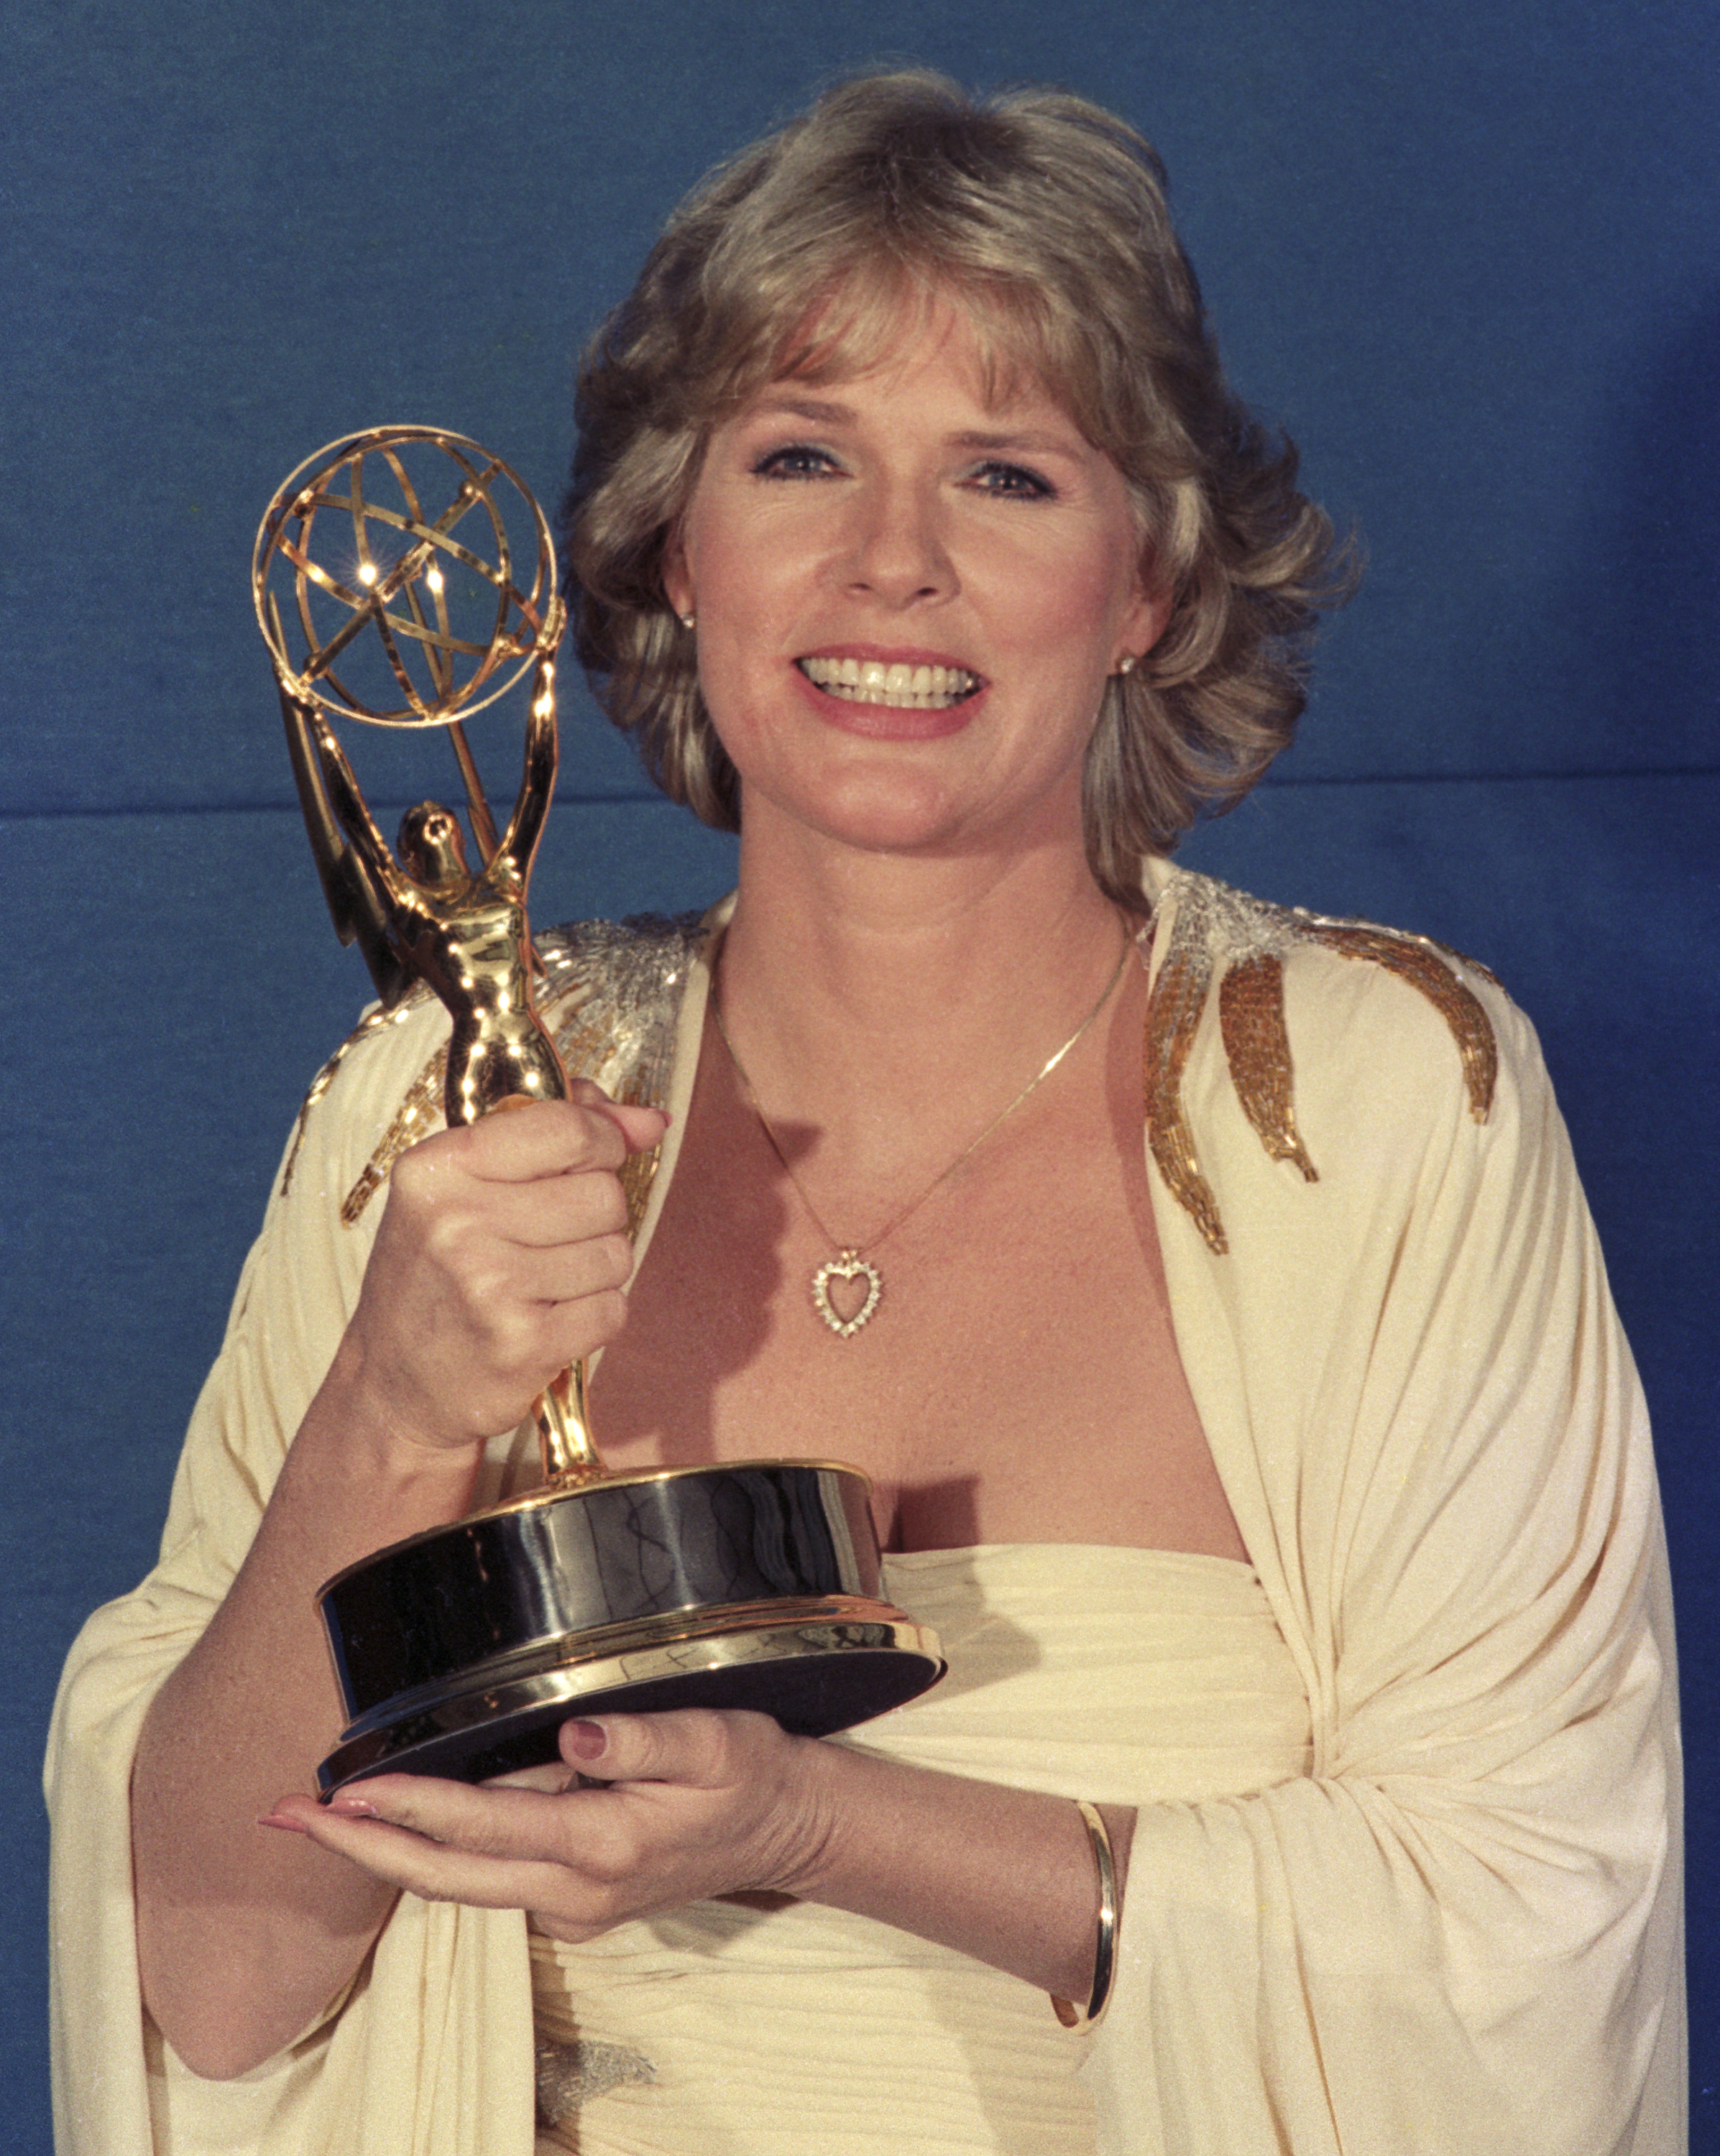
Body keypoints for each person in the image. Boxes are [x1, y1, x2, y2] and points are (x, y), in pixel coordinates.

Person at [47, 70, 1683, 2156]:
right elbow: (218, 1983)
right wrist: (390, 1398)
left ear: (1147, 591)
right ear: (671, 553)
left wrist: (824, 1817)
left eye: (1004, 477)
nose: (889, 564)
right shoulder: (436, 1110)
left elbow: (1523, 1933)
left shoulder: (1367, 1099)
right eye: (801, 455)